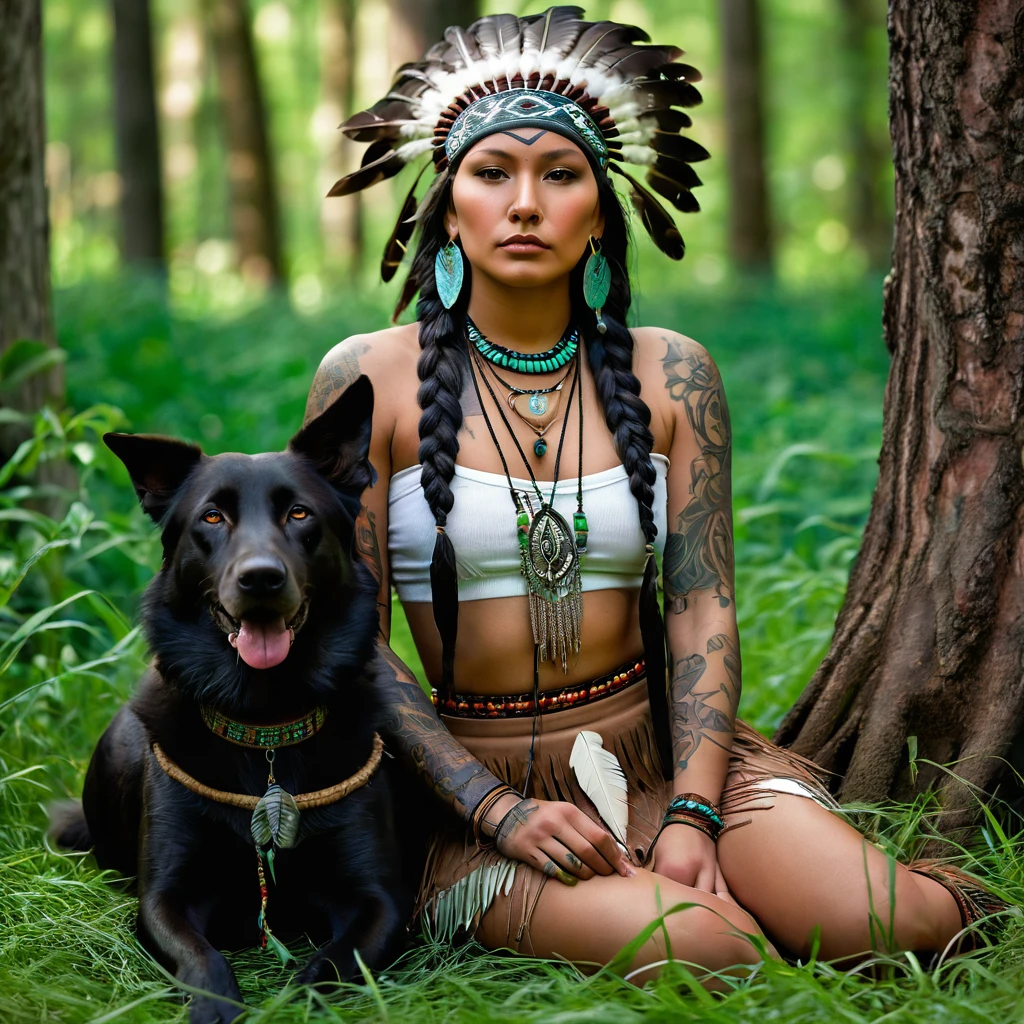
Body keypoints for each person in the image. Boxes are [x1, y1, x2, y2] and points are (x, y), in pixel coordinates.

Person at [303, 7, 1000, 982]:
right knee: (717, 951)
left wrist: (693, 809)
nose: (524, 204)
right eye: (491, 173)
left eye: (559, 175)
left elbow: (700, 604)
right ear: (446, 202)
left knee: (889, 919)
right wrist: (496, 810)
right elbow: (354, 642)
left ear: (600, 207)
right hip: (472, 795)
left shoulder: (671, 374)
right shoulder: (366, 377)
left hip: (659, 758)